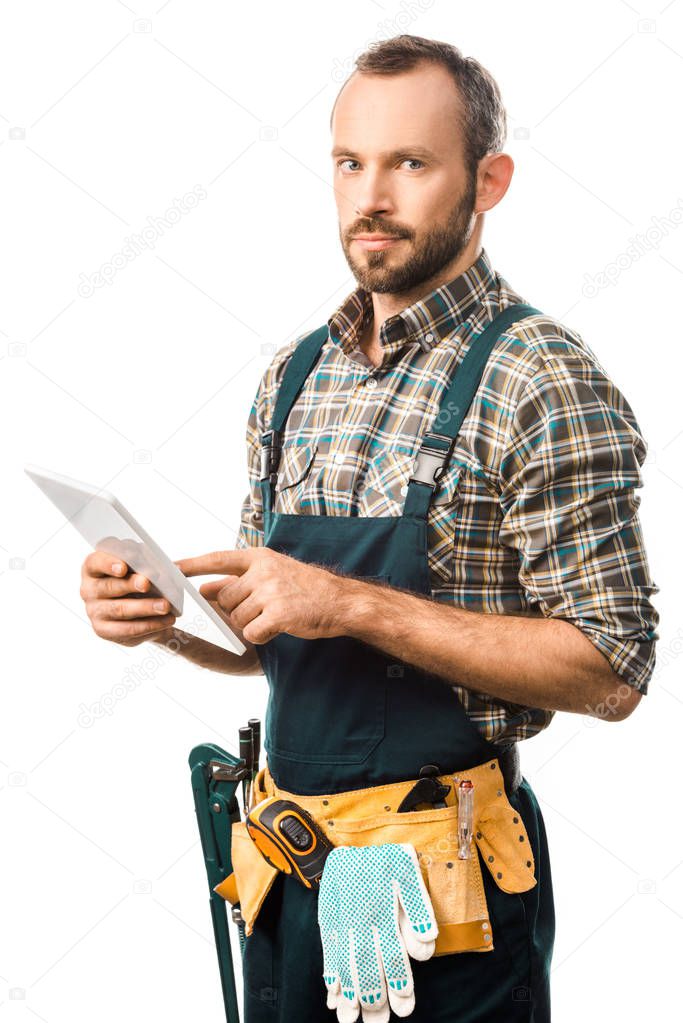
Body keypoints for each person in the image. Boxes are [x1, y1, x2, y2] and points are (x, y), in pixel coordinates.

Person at [80, 34, 659, 1023]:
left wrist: (349, 601)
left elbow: (611, 669)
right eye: (350, 162)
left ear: (489, 180)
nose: (369, 195)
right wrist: (167, 616)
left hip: (445, 900)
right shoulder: (295, 376)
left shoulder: (540, 381)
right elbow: (276, 639)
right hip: (284, 877)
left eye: (409, 163)